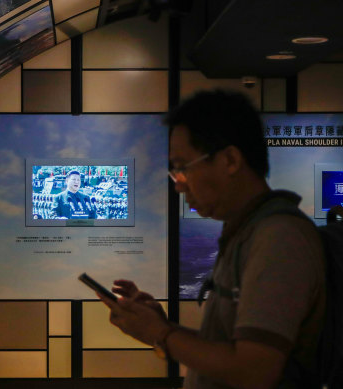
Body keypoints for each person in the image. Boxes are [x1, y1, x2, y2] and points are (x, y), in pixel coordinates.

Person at [98, 90, 325, 389]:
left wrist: (161, 335)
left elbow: (254, 369)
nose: (179, 186)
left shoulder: (278, 238)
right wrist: (160, 326)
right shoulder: (249, 232)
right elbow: (232, 350)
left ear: (230, 159)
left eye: (182, 167)